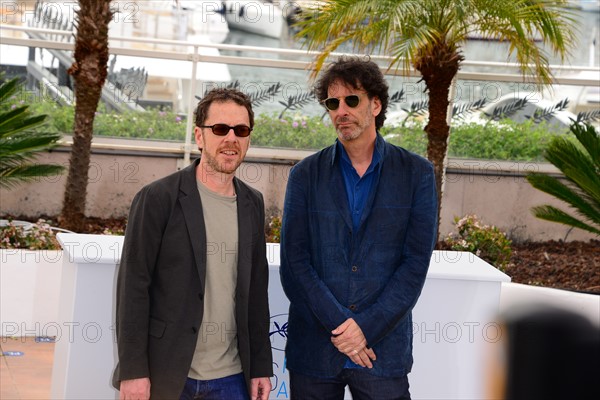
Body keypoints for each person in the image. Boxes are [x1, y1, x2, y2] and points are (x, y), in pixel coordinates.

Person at [280, 56, 438, 400]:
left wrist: (364, 329)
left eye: (352, 100)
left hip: (381, 354)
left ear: (375, 105)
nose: (341, 111)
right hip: (315, 353)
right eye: (332, 103)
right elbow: (294, 263)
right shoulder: (304, 175)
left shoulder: (417, 174)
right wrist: (343, 329)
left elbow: (414, 266)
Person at [112, 88, 273, 400]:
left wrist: (260, 366)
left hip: (232, 377)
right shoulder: (158, 198)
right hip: (169, 374)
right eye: (220, 129)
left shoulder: (253, 204)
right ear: (199, 136)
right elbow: (133, 289)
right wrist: (133, 372)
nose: (231, 138)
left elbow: (256, 294)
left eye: (240, 130)